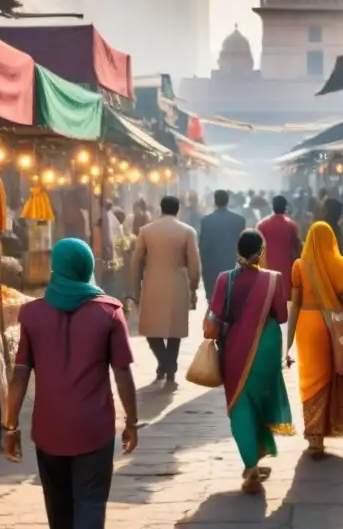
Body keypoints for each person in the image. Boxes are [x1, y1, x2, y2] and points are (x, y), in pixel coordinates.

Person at [2, 238, 138, 529]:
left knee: (58, 507)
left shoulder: (33, 314)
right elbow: (123, 372)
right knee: (91, 503)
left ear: (56, 269)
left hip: (49, 428)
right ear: (87, 267)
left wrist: (10, 427)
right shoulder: (109, 312)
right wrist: (132, 422)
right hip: (94, 428)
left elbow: (20, 375)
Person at [203, 231, 293, 493]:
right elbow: (282, 315)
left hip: (234, 349)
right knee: (260, 398)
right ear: (261, 252)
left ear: (238, 252)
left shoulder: (224, 279)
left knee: (240, 403)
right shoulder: (274, 279)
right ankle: (256, 455)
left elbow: (215, 316)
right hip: (267, 347)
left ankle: (251, 463)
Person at [286, 221, 343, 455]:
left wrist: (287, 344)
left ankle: (313, 434)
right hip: (331, 325)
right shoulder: (339, 264)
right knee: (328, 375)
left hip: (306, 325)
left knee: (309, 378)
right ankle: (324, 427)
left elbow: (294, 305)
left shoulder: (299, 266)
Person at [132, 196, 201, 386]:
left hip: (153, 282)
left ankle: (164, 363)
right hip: (178, 283)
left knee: (150, 328)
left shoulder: (146, 231)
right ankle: (169, 366)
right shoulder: (187, 231)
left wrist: (135, 287)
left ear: (160, 209)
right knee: (174, 330)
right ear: (178, 209)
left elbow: (136, 261)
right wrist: (193, 287)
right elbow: (194, 264)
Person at [199, 190, 247, 303]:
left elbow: (203, 246)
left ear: (214, 201)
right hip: (232, 264)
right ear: (228, 201)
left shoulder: (206, 221)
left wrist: (203, 264)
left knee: (213, 298)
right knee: (231, 298)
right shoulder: (239, 220)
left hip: (211, 266)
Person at [256, 196, 302, 276]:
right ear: (285, 207)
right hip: (287, 268)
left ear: (272, 206)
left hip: (266, 268)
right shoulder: (291, 225)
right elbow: (297, 249)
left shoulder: (261, 225)